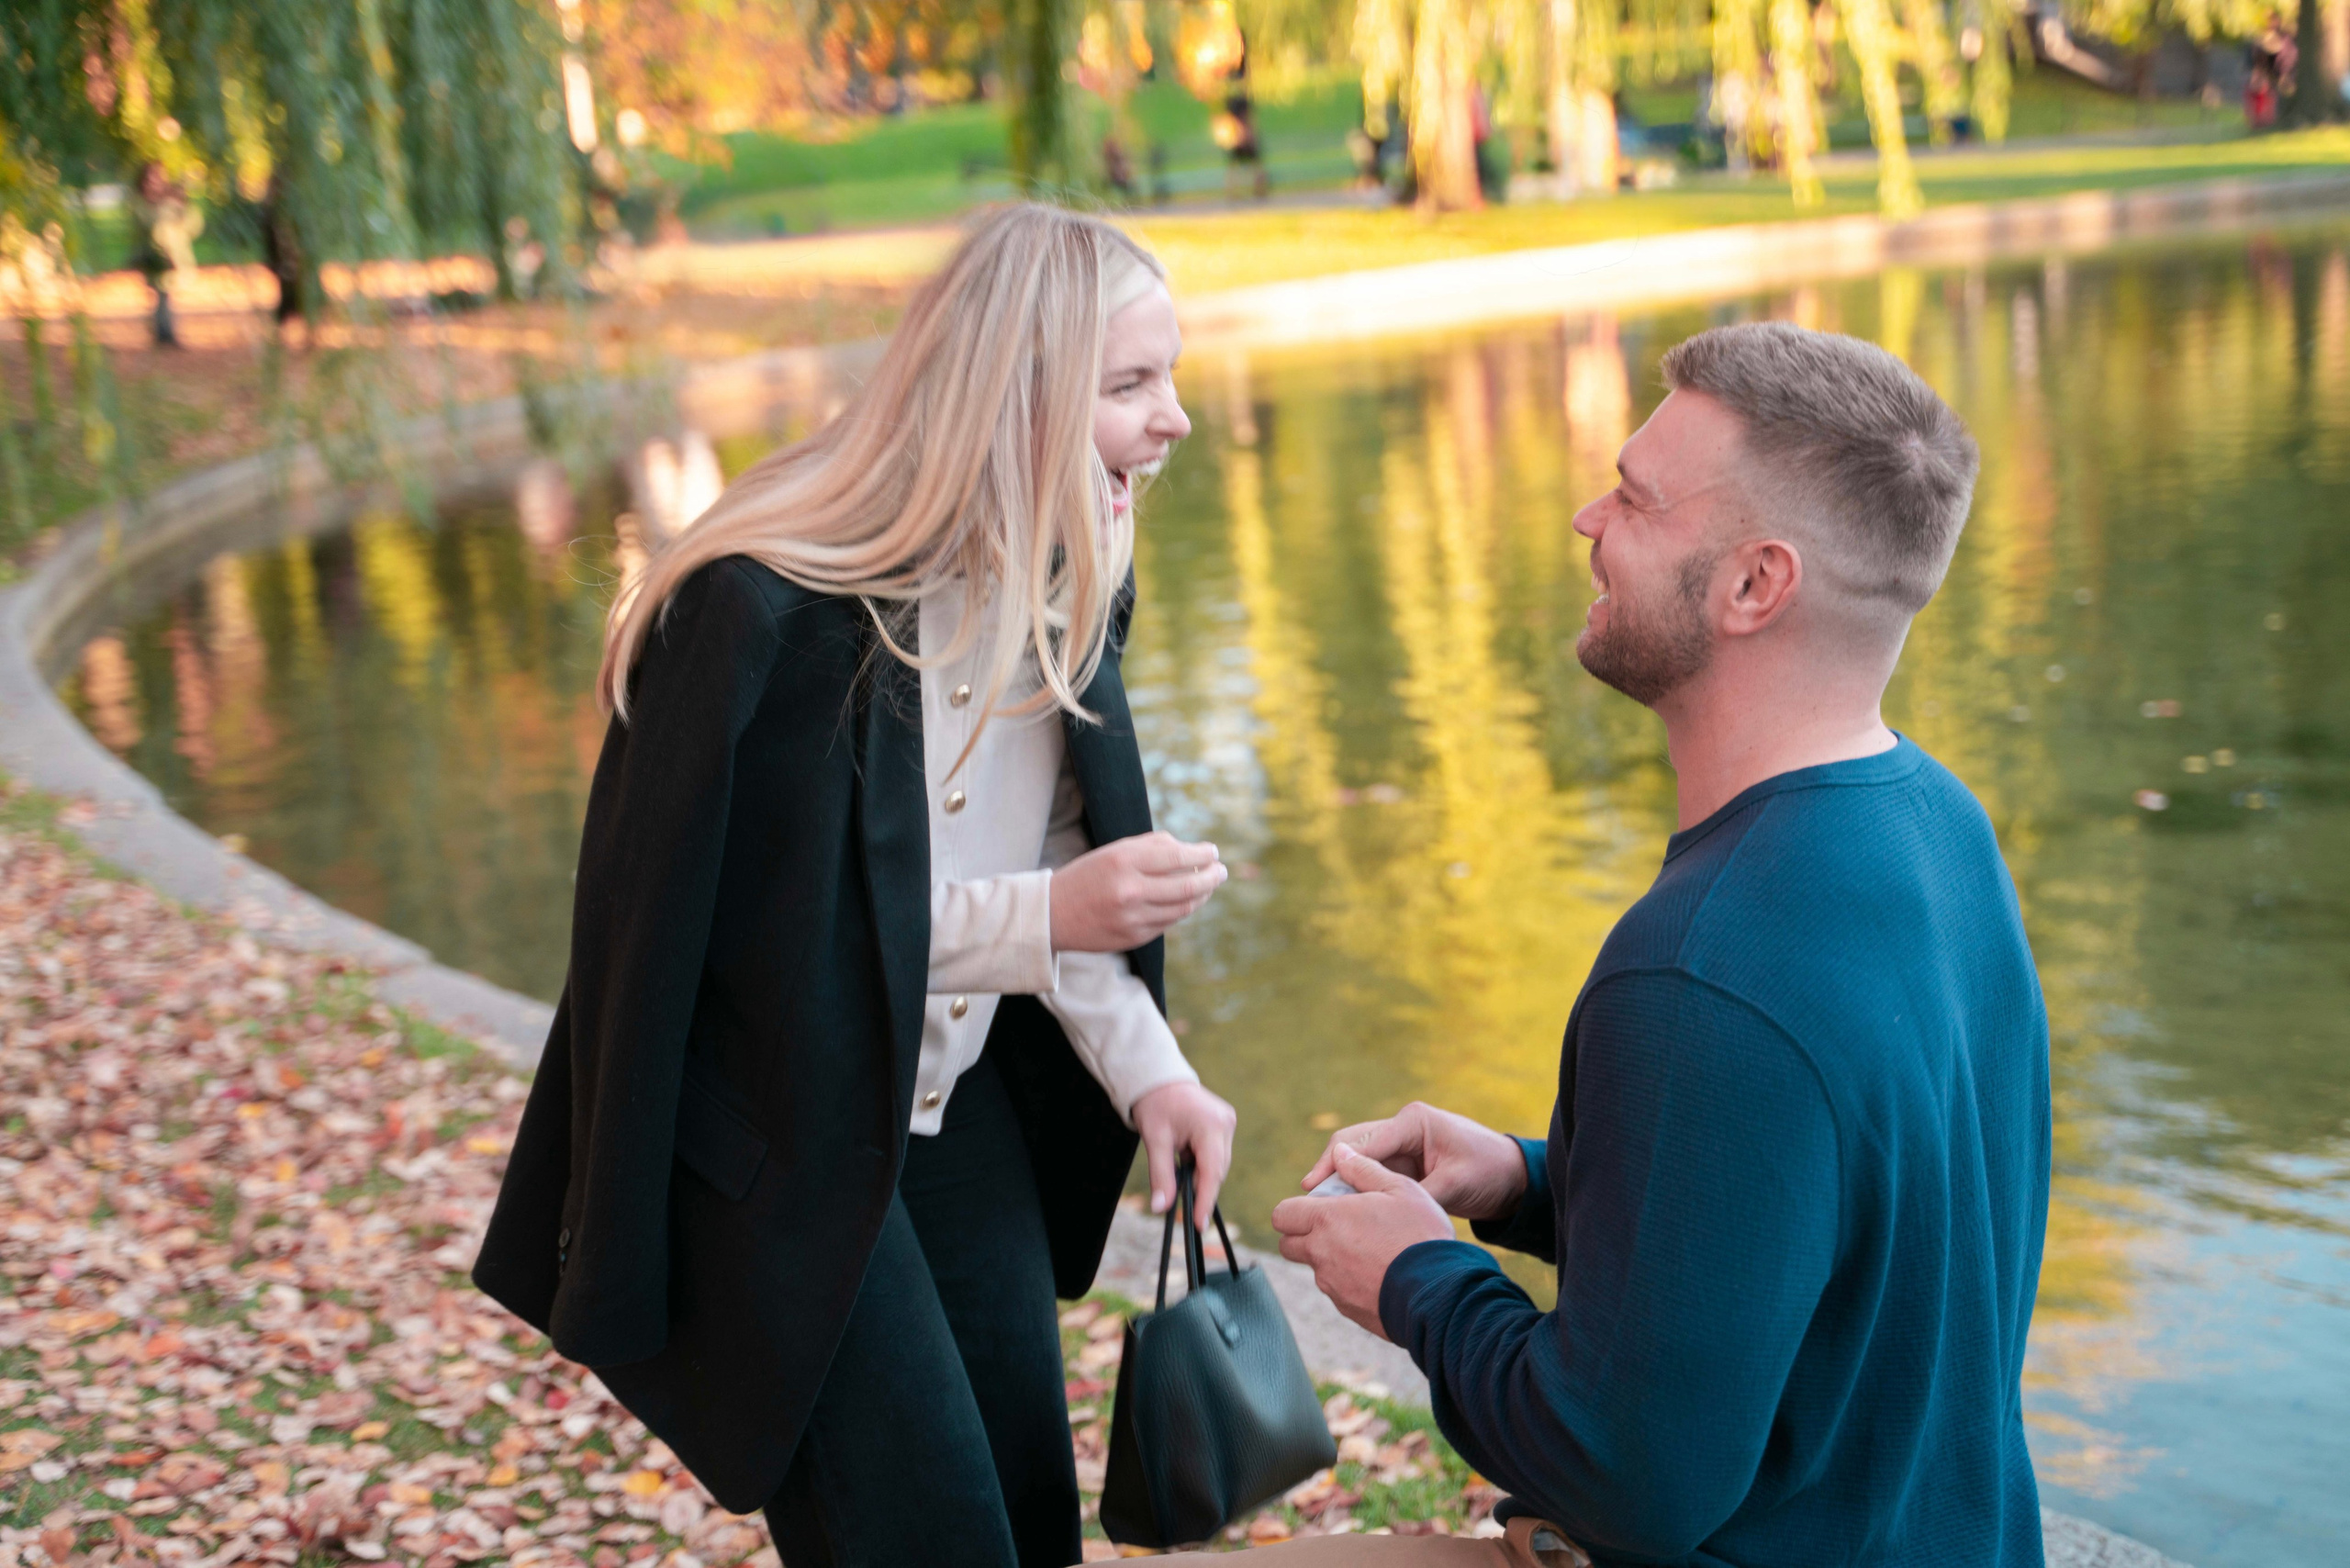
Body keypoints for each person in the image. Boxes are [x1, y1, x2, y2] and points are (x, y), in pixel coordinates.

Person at [471, 205, 1239, 1568]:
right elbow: (762, 959)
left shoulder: (1071, 579)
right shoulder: (766, 614)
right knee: (926, 1538)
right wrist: (1050, 919)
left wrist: (1153, 1074)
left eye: (1167, 378)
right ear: (1017, 394)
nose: (1174, 418)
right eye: (1131, 385)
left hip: (953, 1118)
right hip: (777, 1140)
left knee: (1024, 1523)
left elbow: (1062, 867)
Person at [1253, 322, 2052, 1565]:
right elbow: (1817, 1235)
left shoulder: (1699, 972)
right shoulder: (1941, 827)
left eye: (1633, 497)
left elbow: (1626, 1478)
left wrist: (1415, 1281)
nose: (1586, 517)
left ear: (1752, 586)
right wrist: (1525, 1183)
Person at [128, 162, 201, 349]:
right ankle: (163, 333)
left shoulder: (170, 203)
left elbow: (191, 224)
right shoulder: (141, 204)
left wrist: (178, 205)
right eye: (151, 178)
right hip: (153, 257)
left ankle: (165, 332)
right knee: (160, 294)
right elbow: (150, 227)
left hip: (171, 257)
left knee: (165, 294)